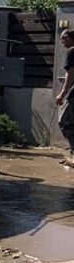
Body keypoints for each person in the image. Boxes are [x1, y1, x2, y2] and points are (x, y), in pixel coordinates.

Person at [56, 28, 74, 165]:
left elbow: (70, 74)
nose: (62, 43)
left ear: (69, 37)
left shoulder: (71, 52)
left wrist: (62, 94)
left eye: (63, 39)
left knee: (65, 121)